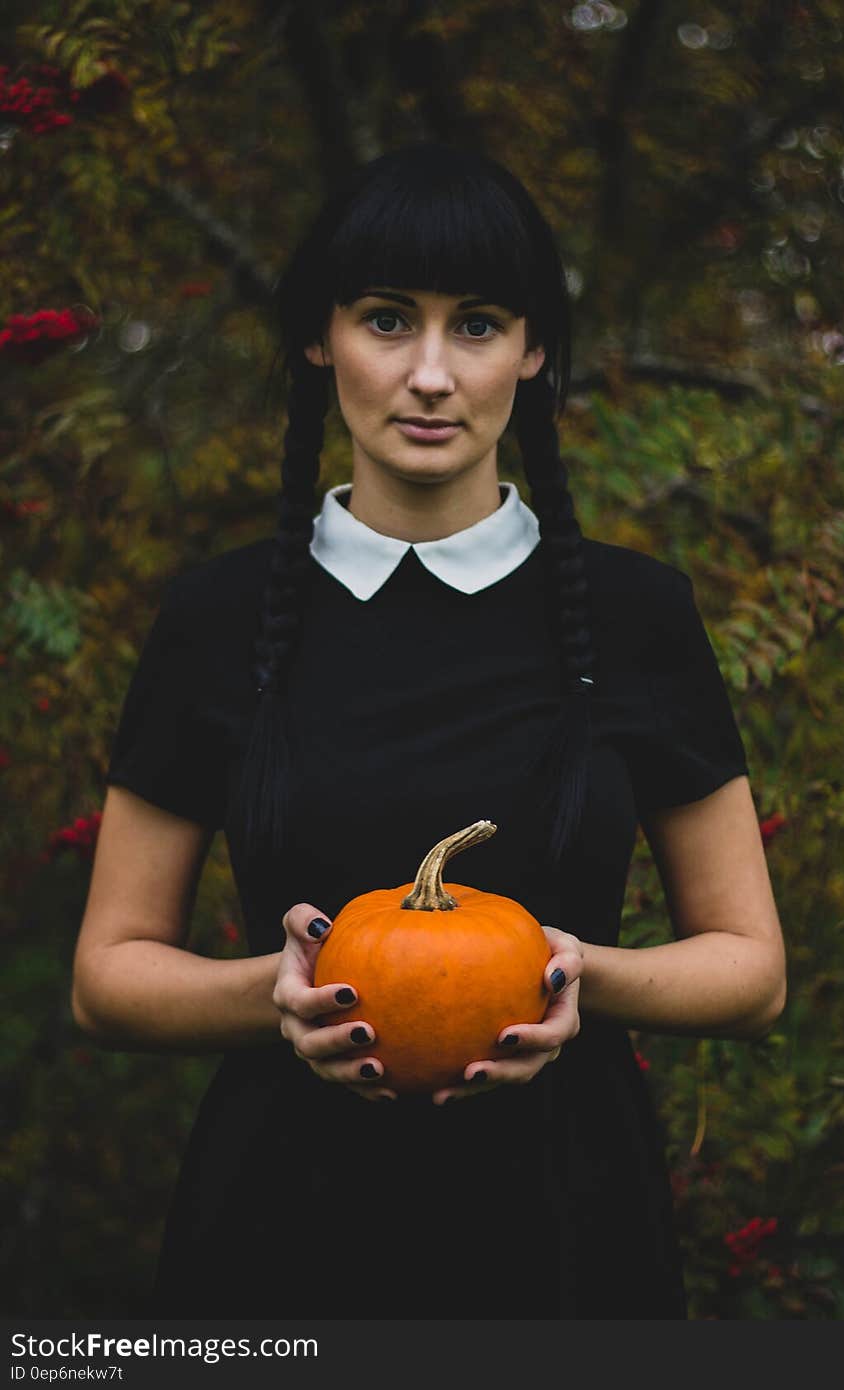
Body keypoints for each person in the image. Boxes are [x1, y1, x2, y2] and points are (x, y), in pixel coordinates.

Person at [71, 141, 786, 1320]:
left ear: (533, 350)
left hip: (568, 1226)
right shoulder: (215, 617)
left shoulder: (633, 613)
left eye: (479, 325)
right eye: (389, 320)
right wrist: (281, 994)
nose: (432, 375)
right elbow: (108, 974)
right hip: (275, 1233)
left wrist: (572, 975)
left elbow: (749, 969)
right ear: (320, 337)